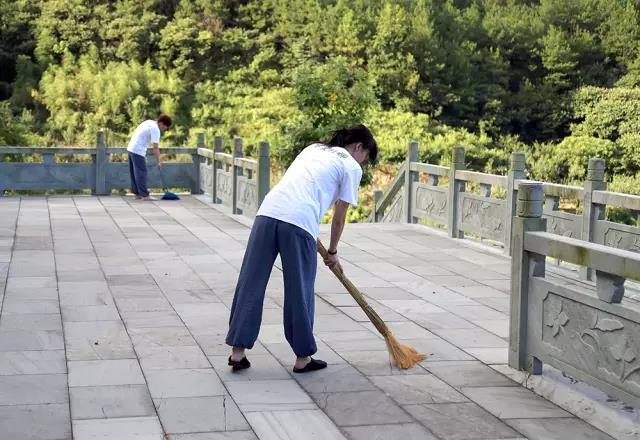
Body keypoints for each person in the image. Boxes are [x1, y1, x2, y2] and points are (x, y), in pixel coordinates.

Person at [225, 124, 378, 373]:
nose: (363, 162)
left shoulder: (314, 148)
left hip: (267, 213)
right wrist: (333, 251)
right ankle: (302, 357)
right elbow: (340, 215)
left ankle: (237, 352)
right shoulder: (350, 166)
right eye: (365, 157)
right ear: (359, 147)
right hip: (299, 222)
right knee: (299, 289)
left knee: (250, 282)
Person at [127, 114, 172, 201]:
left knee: (134, 172)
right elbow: (155, 148)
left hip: (131, 147)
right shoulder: (156, 130)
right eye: (164, 128)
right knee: (141, 172)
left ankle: (137, 194)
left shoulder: (149, 122)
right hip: (138, 150)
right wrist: (158, 161)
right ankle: (145, 195)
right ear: (162, 123)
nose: (163, 129)